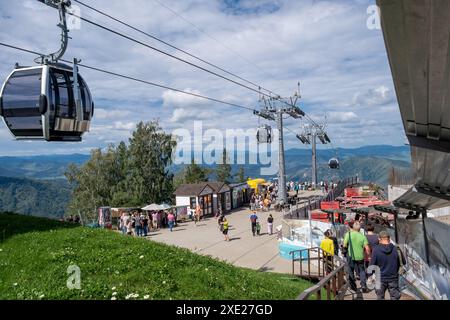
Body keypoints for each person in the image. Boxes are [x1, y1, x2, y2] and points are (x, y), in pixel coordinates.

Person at [370, 231, 406, 300]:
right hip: (393, 278)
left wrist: (370, 276)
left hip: (380, 278)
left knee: (380, 297)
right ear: (389, 238)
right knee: (395, 297)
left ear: (379, 239)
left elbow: (372, 265)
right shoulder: (397, 249)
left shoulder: (376, 250)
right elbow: (403, 262)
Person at [343, 221, 370, 293]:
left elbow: (344, 245)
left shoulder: (348, 234)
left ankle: (353, 286)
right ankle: (363, 285)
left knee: (351, 270)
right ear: (359, 228)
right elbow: (367, 248)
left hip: (350, 255)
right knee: (362, 271)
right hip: (360, 256)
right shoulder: (362, 236)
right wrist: (369, 256)